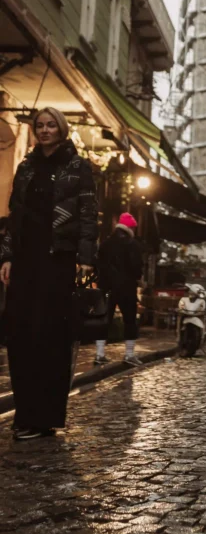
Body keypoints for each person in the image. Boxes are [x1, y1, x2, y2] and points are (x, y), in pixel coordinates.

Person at [0, 108, 97, 440]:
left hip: (58, 259)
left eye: (50, 124)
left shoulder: (78, 167)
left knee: (49, 335)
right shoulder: (26, 167)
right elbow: (14, 214)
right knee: (20, 333)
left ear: (61, 128)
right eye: (39, 125)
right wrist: (8, 255)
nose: (44, 130)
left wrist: (85, 258)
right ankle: (25, 414)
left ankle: (45, 418)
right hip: (26, 260)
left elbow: (88, 213)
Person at [94, 212, 144, 366]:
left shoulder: (105, 243)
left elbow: (98, 265)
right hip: (126, 288)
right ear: (130, 228)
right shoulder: (132, 245)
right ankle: (129, 355)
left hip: (107, 287)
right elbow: (137, 268)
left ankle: (99, 354)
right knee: (129, 320)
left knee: (104, 320)